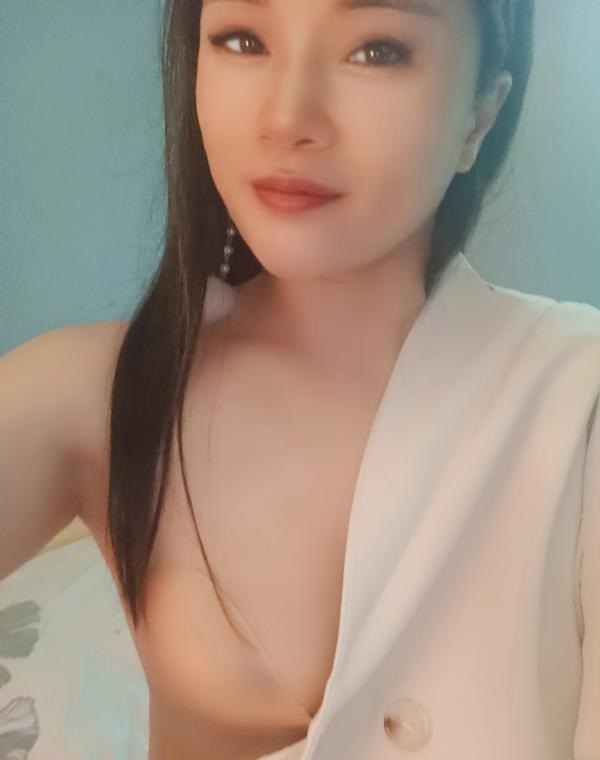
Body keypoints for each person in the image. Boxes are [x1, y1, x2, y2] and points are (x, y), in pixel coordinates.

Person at [1, 0, 599, 759]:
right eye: (243, 39)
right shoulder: (96, 396)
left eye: (377, 49)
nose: (286, 119)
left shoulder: (574, 401)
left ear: (481, 114)